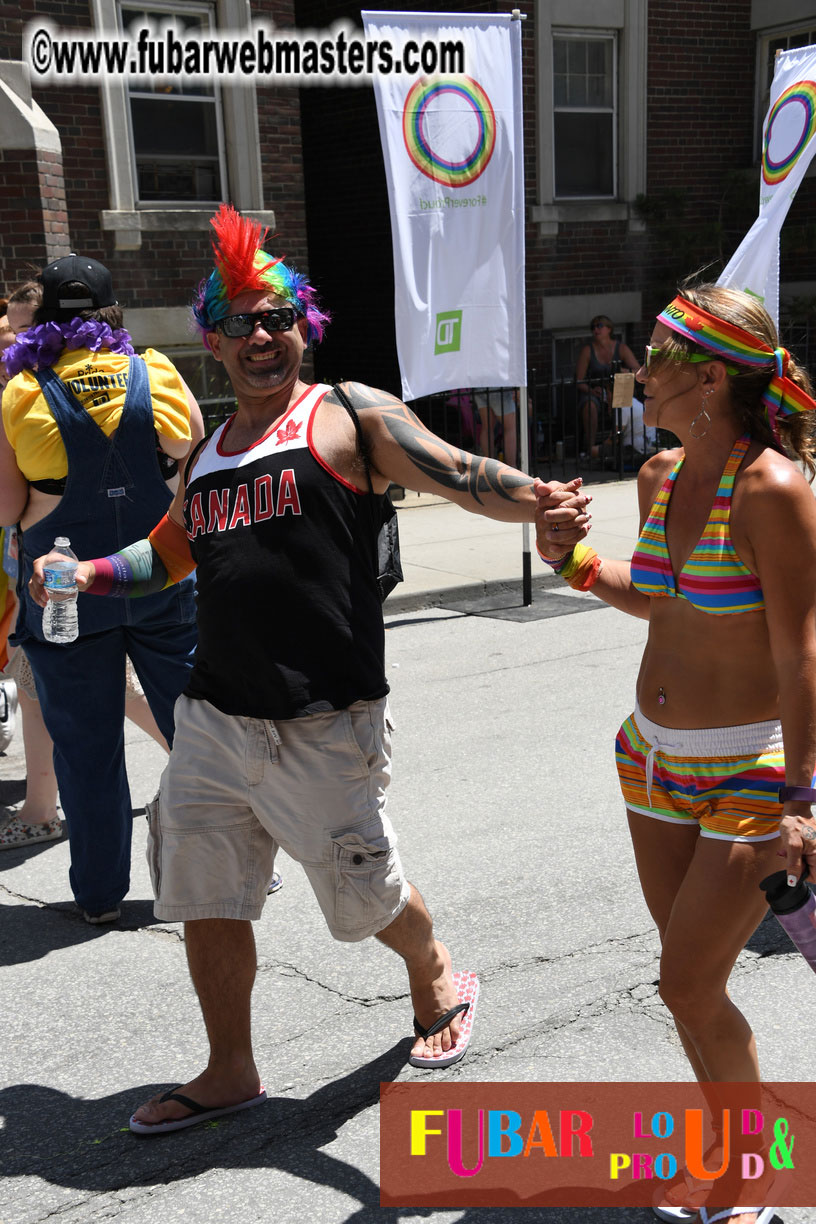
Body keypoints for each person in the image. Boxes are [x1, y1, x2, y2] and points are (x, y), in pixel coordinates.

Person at [31, 205, 590, 1132]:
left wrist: (541, 503)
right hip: (213, 716)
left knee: (365, 896)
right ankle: (229, 1068)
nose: (264, 335)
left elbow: (457, 470)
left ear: (304, 326)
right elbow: (169, 553)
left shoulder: (345, 415)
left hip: (324, 720)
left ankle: (432, 966)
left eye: (279, 317)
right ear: (212, 338)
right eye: (243, 321)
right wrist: (87, 571)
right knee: (204, 889)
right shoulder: (205, 454)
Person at [535, 284, 816, 1224]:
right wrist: (569, 560)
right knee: (692, 989)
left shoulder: (771, 489)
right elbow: (661, 599)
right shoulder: (660, 476)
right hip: (650, 761)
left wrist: (801, 801)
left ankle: (757, 1166)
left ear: (706, 377)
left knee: (685, 980)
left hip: (751, 768)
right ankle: (738, 1139)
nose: (636, 371)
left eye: (654, 357)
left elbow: (800, 654)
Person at [1, 253, 203, 919]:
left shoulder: (20, 395)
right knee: (200, 733)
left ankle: (98, 895)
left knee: (87, 751)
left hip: (65, 596)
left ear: (45, 322)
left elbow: (6, 508)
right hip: (161, 582)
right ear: (114, 313)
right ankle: (232, 873)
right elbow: (195, 468)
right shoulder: (158, 375)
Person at [575, 315, 640, 458]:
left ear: (609, 329)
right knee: (589, 406)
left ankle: (616, 444)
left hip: (618, 389)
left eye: (599, 326)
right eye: (593, 327)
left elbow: (638, 370)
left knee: (623, 404)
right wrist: (591, 390)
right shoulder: (588, 350)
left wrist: (620, 370)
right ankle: (590, 448)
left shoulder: (621, 348)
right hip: (595, 392)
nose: (595, 330)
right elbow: (579, 380)